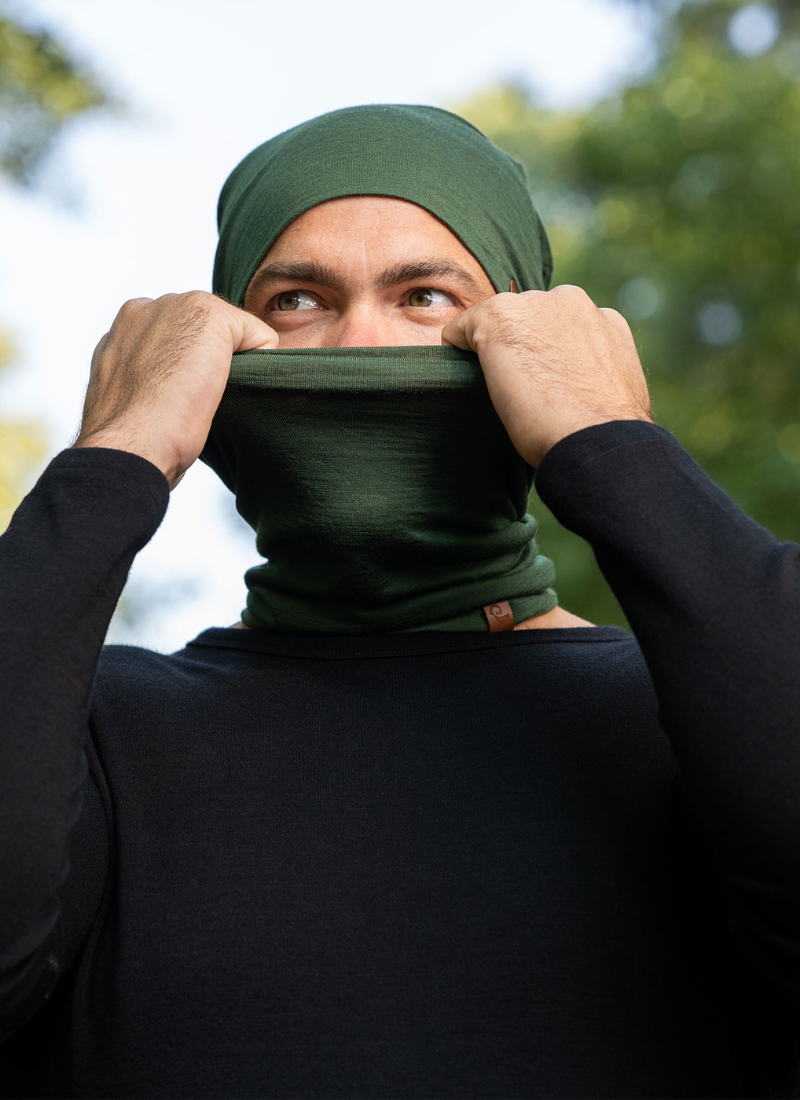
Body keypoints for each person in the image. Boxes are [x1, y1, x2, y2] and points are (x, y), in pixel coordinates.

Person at [0, 104, 798, 1099]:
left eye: (424, 295)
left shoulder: (695, 701)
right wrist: (111, 462)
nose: (357, 343)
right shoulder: (92, 729)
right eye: (296, 301)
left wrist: (608, 443)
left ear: (527, 340)